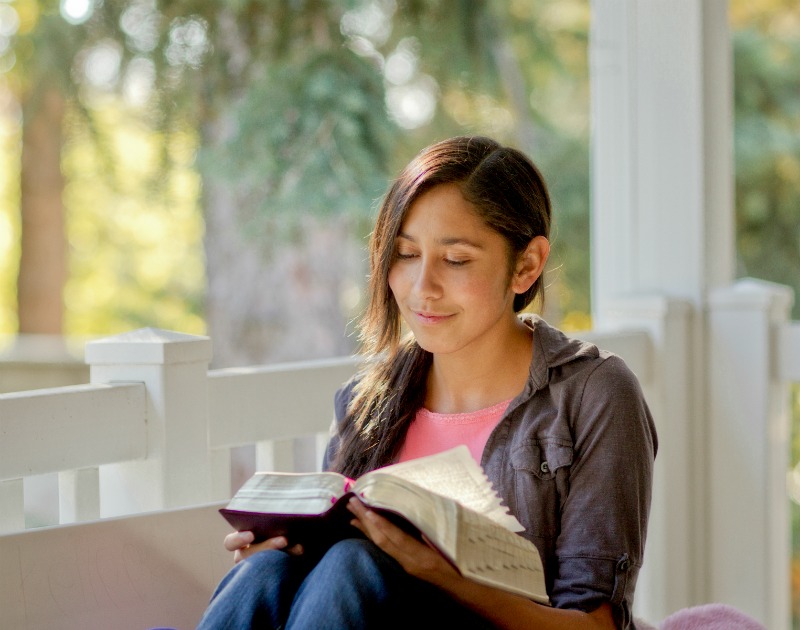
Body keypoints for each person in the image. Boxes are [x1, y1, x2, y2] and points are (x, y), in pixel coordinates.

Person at [197, 135, 657, 630]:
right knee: (266, 571)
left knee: (355, 565)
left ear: (526, 265)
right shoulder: (366, 403)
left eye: (456, 260)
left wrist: (446, 576)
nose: (422, 287)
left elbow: (598, 625)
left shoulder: (595, 395)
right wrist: (283, 550)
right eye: (405, 254)